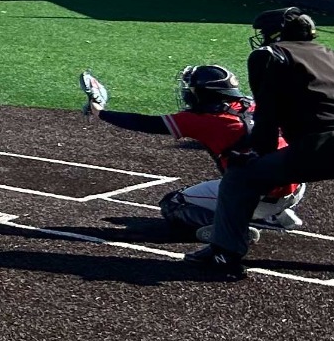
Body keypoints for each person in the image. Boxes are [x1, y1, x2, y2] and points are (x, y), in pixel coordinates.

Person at [190, 7, 334, 279]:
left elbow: (268, 113)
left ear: (277, 34)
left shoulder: (269, 56)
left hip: (322, 142)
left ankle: (225, 253)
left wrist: (255, 151)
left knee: (240, 177)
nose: (262, 38)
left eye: (265, 33)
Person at [83, 64, 305, 235]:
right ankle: (275, 214)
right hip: (296, 186)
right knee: (248, 161)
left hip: (258, 194)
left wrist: (100, 112)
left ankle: (233, 230)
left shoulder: (203, 119)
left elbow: (145, 123)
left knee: (174, 204)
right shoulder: (254, 104)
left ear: (205, 93)